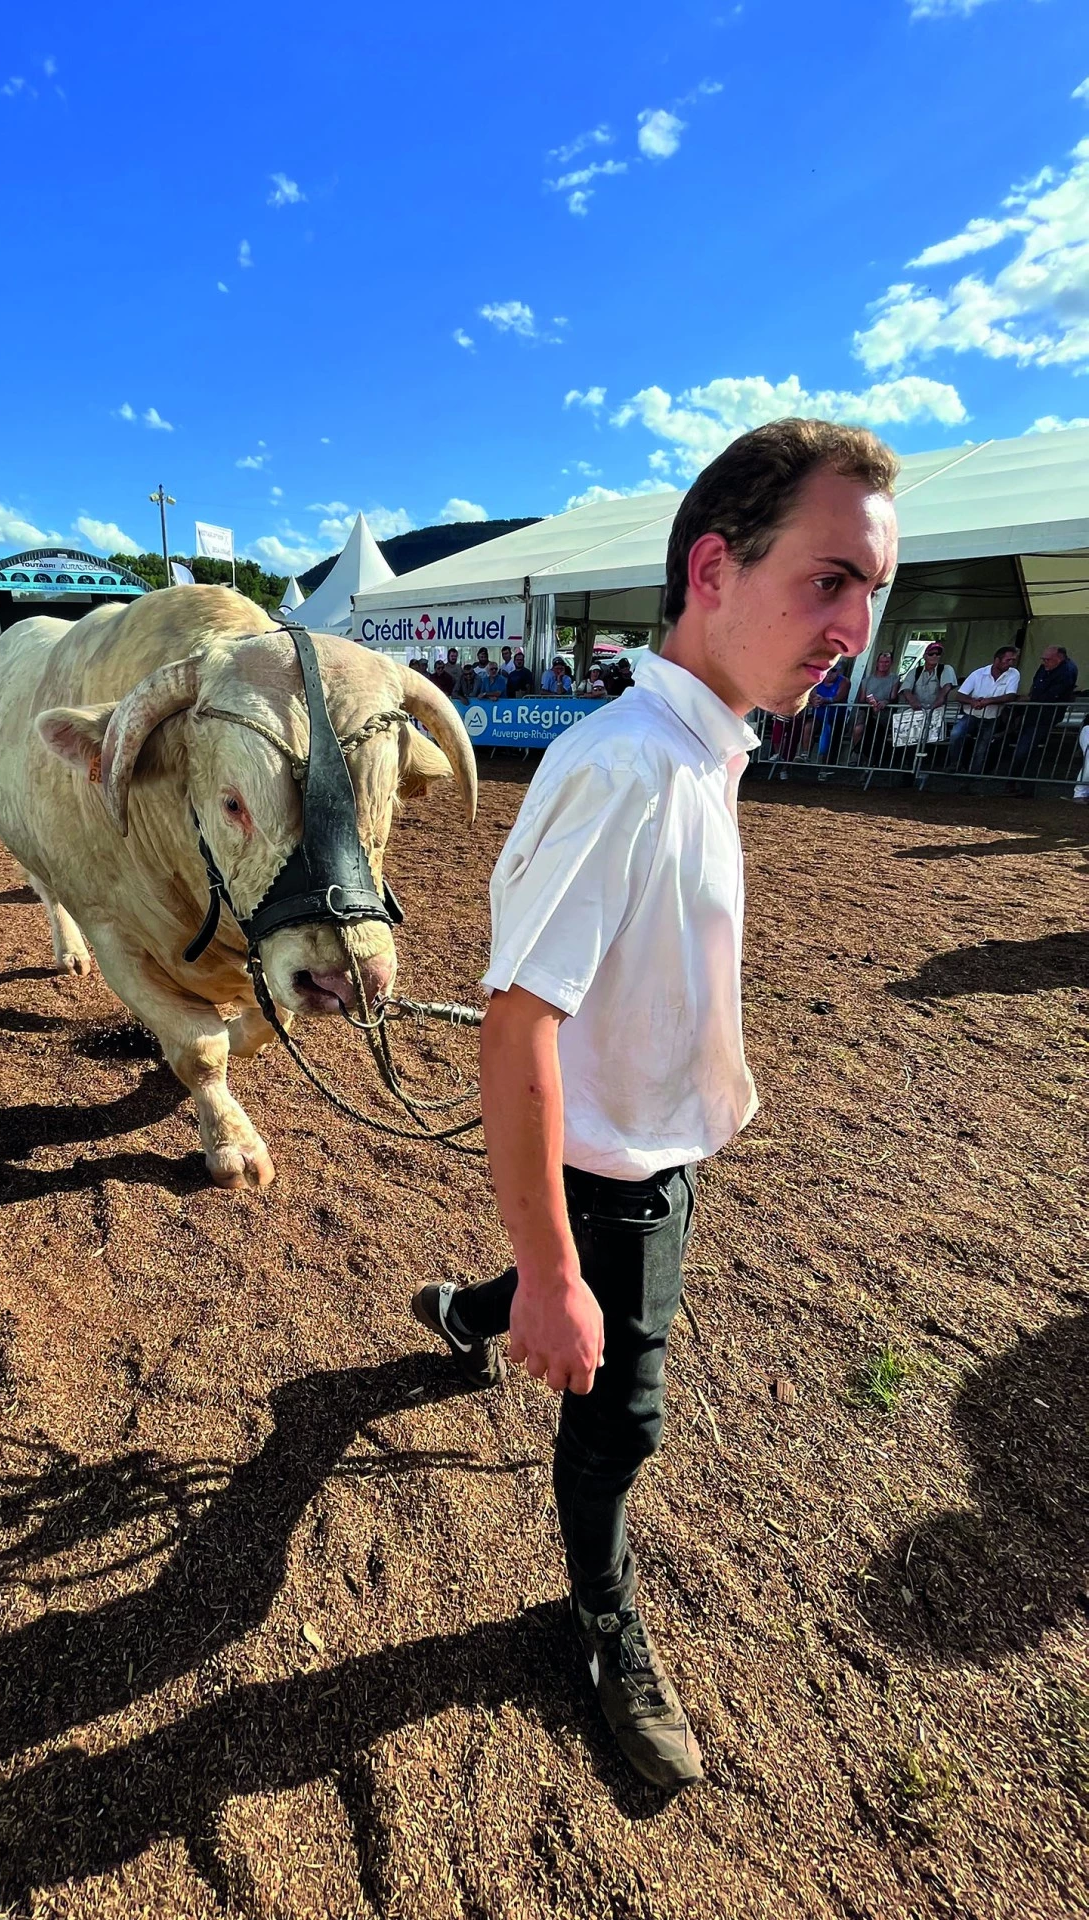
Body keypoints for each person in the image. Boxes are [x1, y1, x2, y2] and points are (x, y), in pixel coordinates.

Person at [410, 418, 898, 1789]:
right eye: (829, 580)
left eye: (872, 591)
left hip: (636, 1143)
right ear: (711, 569)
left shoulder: (699, 745)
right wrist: (561, 1275)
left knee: (592, 1345)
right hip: (616, 1174)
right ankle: (593, 1614)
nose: (856, 624)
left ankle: (471, 1307)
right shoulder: (625, 765)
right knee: (623, 1418)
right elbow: (516, 1028)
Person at [1007, 643, 1078, 793]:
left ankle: (1014, 781)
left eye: (1047, 660)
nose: (1044, 662)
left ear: (1058, 659)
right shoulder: (1047, 668)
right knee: (1030, 748)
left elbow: (1052, 695)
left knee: (1025, 747)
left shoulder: (1066, 672)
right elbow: (1036, 685)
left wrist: (1029, 699)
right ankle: (1023, 785)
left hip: (1047, 714)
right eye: (1043, 659)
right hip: (1035, 711)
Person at [947, 645, 1020, 778]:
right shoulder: (978, 674)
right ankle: (955, 764)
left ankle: (974, 774)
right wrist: (973, 702)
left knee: (982, 747)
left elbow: (1010, 696)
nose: (1011, 663)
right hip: (971, 714)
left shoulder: (1013, 673)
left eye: (1013, 660)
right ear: (997, 660)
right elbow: (960, 695)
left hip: (992, 716)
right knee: (956, 734)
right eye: (1008, 660)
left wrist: (987, 701)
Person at [851, 648, 898, 763]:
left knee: (878, 734)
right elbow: (861, 699)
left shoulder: (895, 679)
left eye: (887, 662)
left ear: (891, 663)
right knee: (858, 728)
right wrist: (870, 703)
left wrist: (885, 702)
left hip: (884, 713)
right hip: (868, 712)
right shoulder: (867, 680)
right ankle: (855, 754)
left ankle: (872, 760)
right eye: (881, 661)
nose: (884, 664)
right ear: (877, 663)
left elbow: (893, 697)